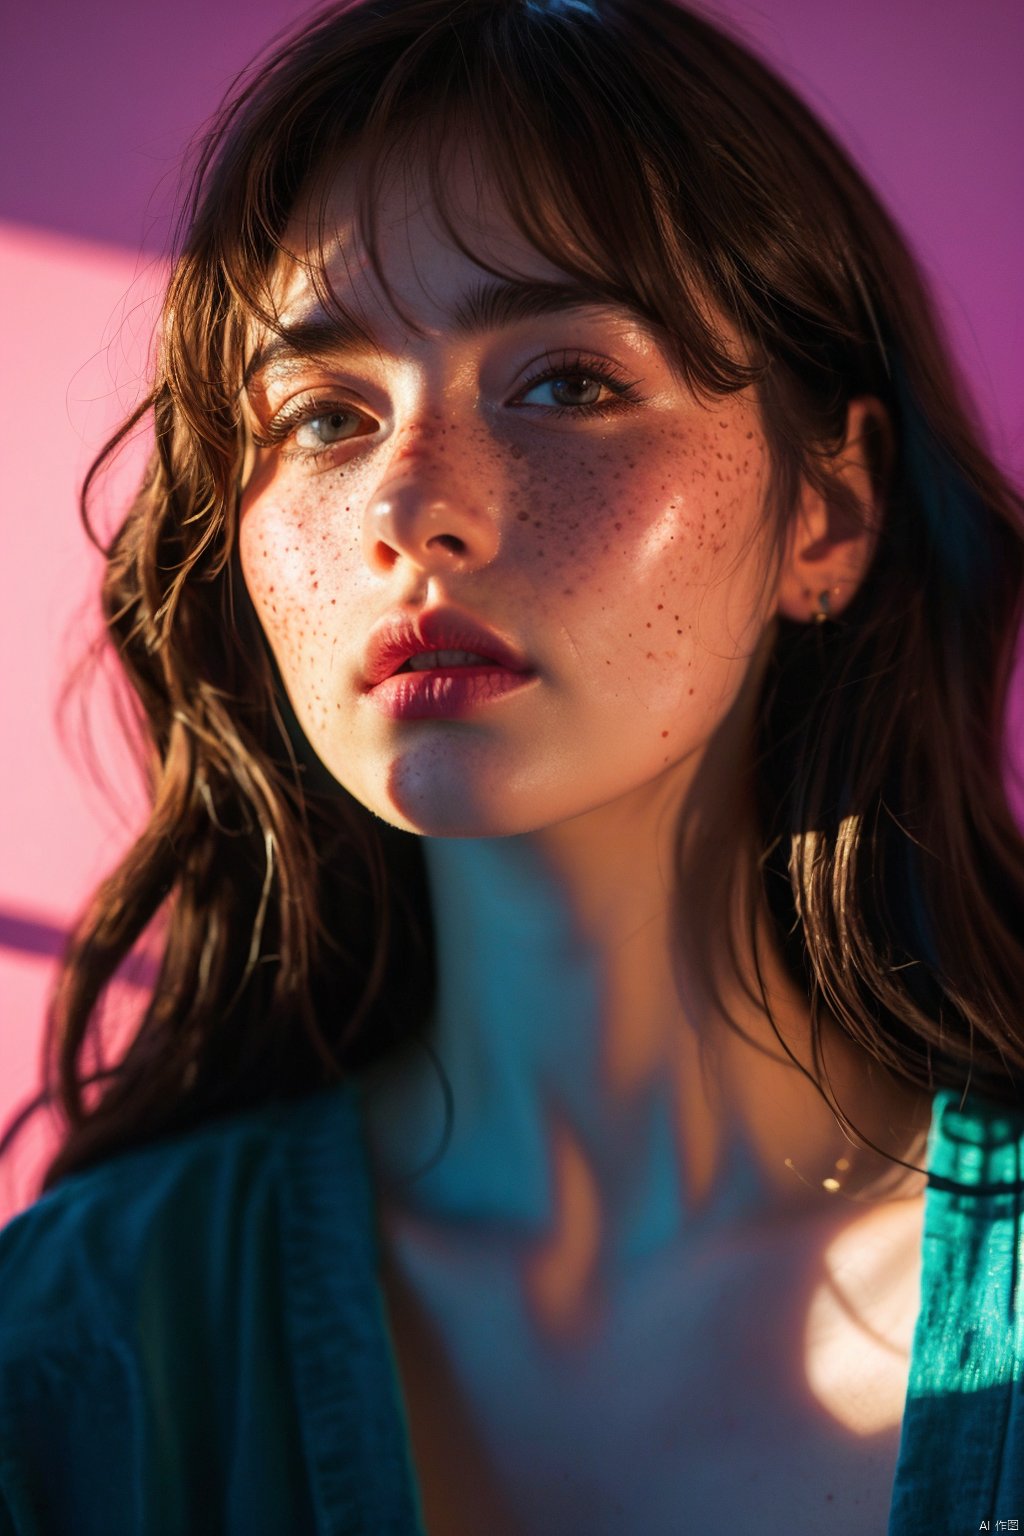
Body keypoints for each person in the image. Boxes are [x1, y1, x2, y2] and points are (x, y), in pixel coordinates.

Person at [1, 0, 1022, 1530]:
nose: (410, 508)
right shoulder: (70, 1353)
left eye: (568, 383)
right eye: (324, 414)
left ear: (830, 512)